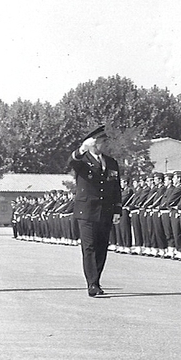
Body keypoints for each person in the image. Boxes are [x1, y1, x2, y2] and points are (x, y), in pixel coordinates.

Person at [69, 125, 122, 298]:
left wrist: (117, 209)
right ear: (93, 143)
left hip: (105, 211)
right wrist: (82, 148)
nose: (105, 144)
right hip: (87, 211)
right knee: (89, 247)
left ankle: (96, 280)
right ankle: (92, 283)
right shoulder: (82, 161)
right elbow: (70, 162)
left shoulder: (111, 162)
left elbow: (116, 188)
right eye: (102, 141)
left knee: (101, 248)